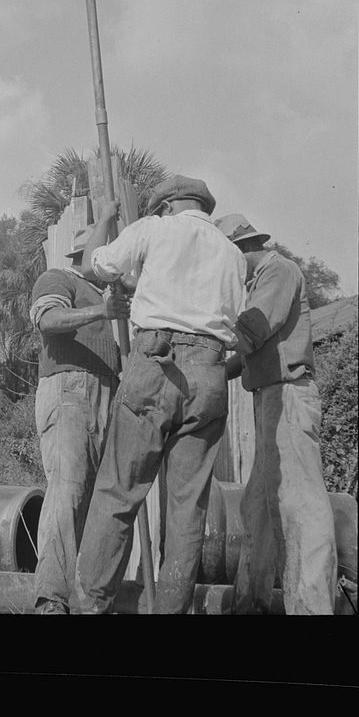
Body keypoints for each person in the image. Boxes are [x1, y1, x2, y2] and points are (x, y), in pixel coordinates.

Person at [71, 174, 247, 614]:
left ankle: (91, 607)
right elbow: (222, 316)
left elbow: (96, 265)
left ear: (166, 206)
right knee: (188, 509)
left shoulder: (155, 228)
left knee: (118, 492)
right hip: (209, 370)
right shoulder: (231, 253)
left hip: (154, 363)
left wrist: (107, 217)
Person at [215, 213, 337, 615]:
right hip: (268, 398)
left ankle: (312, 608)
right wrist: (209, 370)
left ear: (239, 250)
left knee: (299, 504)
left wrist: (202, 344)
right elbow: (245, 357)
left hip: (289, 394)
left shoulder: (278, 271)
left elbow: (251, 332)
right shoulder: (259, 279)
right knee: (258, 506)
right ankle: (253, 604)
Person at [28, 225, 130, 614]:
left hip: (108, 391)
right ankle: (51, 599)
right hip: (70, 387)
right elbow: (48, 321)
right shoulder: (57, 278)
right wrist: (100, 311)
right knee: (67, 490)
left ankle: (90, 601)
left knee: (102, 501)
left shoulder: (108, 295)